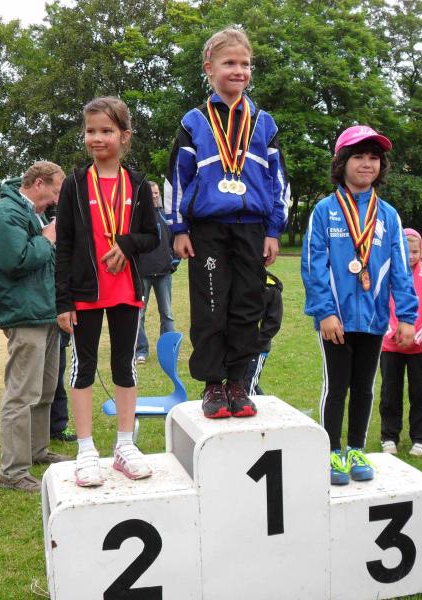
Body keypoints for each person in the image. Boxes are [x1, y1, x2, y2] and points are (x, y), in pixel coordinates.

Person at [167, 27, 288, 419]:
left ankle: (238, 381)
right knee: (211, 305)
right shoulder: (194, 121)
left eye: (245, 64)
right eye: (229, 63)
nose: (239, 71)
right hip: (209, 229)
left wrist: (273, 230)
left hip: (252, 227)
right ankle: (212, 384)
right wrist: (179, 228)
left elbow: (278, 181)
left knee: (247, 306)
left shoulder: (264, 123)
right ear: (209, 68)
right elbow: (177, 178)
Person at [301, 125, 418, 486]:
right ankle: (331, 451)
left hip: (374, 318)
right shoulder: (324, 211)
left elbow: (401, 269)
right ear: (342, 162)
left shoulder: (389, 216)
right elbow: (313, 265)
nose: (367, 164)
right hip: (335, 320)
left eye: (373, 158)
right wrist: (325, 312)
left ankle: (355, 448)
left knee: (365, 387)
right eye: (359, 156)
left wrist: (407, 316)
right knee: (336, 386)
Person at [55, 97, 158, 487]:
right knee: (82, 367)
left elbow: (152, 236)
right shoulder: (75, 183)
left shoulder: (137, 183)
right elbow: (64, 244)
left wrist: (127, 244)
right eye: (90, 131)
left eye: (106, 131)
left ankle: (124, 446)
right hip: (84, 292)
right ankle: (86, 450)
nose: (96, 138)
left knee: (124, 366)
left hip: (125, 290)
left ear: (124, 135)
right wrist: (63, 300)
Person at [0, 161, 71, 493]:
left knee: (45, 389)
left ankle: (36, 450)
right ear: (39, 184)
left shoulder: (31, 213)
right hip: (24, 314)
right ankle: (13, 472)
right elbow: (14, 261)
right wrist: (47, 238)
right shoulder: (5, 213)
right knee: (22, 394)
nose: (56, 201)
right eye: (55, 192)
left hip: (45, 312)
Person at [379, 228, 422, 457]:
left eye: (415, 251)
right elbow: (380, 306)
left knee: (421, 394)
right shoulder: (386, 277)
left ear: (421, 251)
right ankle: (389, 437)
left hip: (421, 349)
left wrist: (416, 337)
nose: (411, 256)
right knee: (390, 393)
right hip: (390, 347)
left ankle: (421, 438)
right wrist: (391, 333)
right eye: (407, 252)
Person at [41, 203, 77, 443]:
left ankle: (57, 425)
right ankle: (41, 427)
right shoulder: (39, 224)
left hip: (60, 307)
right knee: (42, 377)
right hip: (45, 308)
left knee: (58, 372)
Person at [135, 180, 177, 364]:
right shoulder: (136, 218)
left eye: (156, 192)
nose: (154, 196)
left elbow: (175, 240)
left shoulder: (166, 216)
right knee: (139, 314)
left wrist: (173, 262)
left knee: (167, 313)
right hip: (142, 274)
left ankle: (168, 350)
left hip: (163, 273)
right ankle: (141, 350)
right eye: (150, 193)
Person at [244, 271, 283, 396]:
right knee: (240, 384)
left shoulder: (271, 289)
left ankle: (257, 405)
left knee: (248, 386)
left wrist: (257, 342)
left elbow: (273, 323)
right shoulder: (242, 280)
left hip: (257, 349)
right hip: (237, 347)